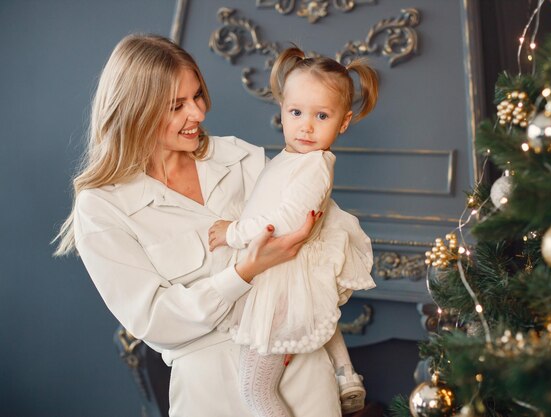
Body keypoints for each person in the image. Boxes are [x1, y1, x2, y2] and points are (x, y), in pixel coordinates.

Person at [54, 34, 342, 417]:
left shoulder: (242, 158)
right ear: (135, 110)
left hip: (299, 367)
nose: (199, 113)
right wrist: (244, 271)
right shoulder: (102, 207)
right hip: (210, 391)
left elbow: (324, 243)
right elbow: (155, 321)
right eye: (177, 106)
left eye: (198, 96)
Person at [208, 47, 379, 416]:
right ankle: (346, 372)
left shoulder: (314, 165)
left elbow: (282, 221)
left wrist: (233, 233)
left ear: (343, 122)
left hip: (279, 287)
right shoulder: (290, 159)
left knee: (255, 390)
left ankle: (345, 372)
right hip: (280, 276)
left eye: (322, 116)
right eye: (296, 112)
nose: (306, 126)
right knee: (322, 308)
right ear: (282, 110)